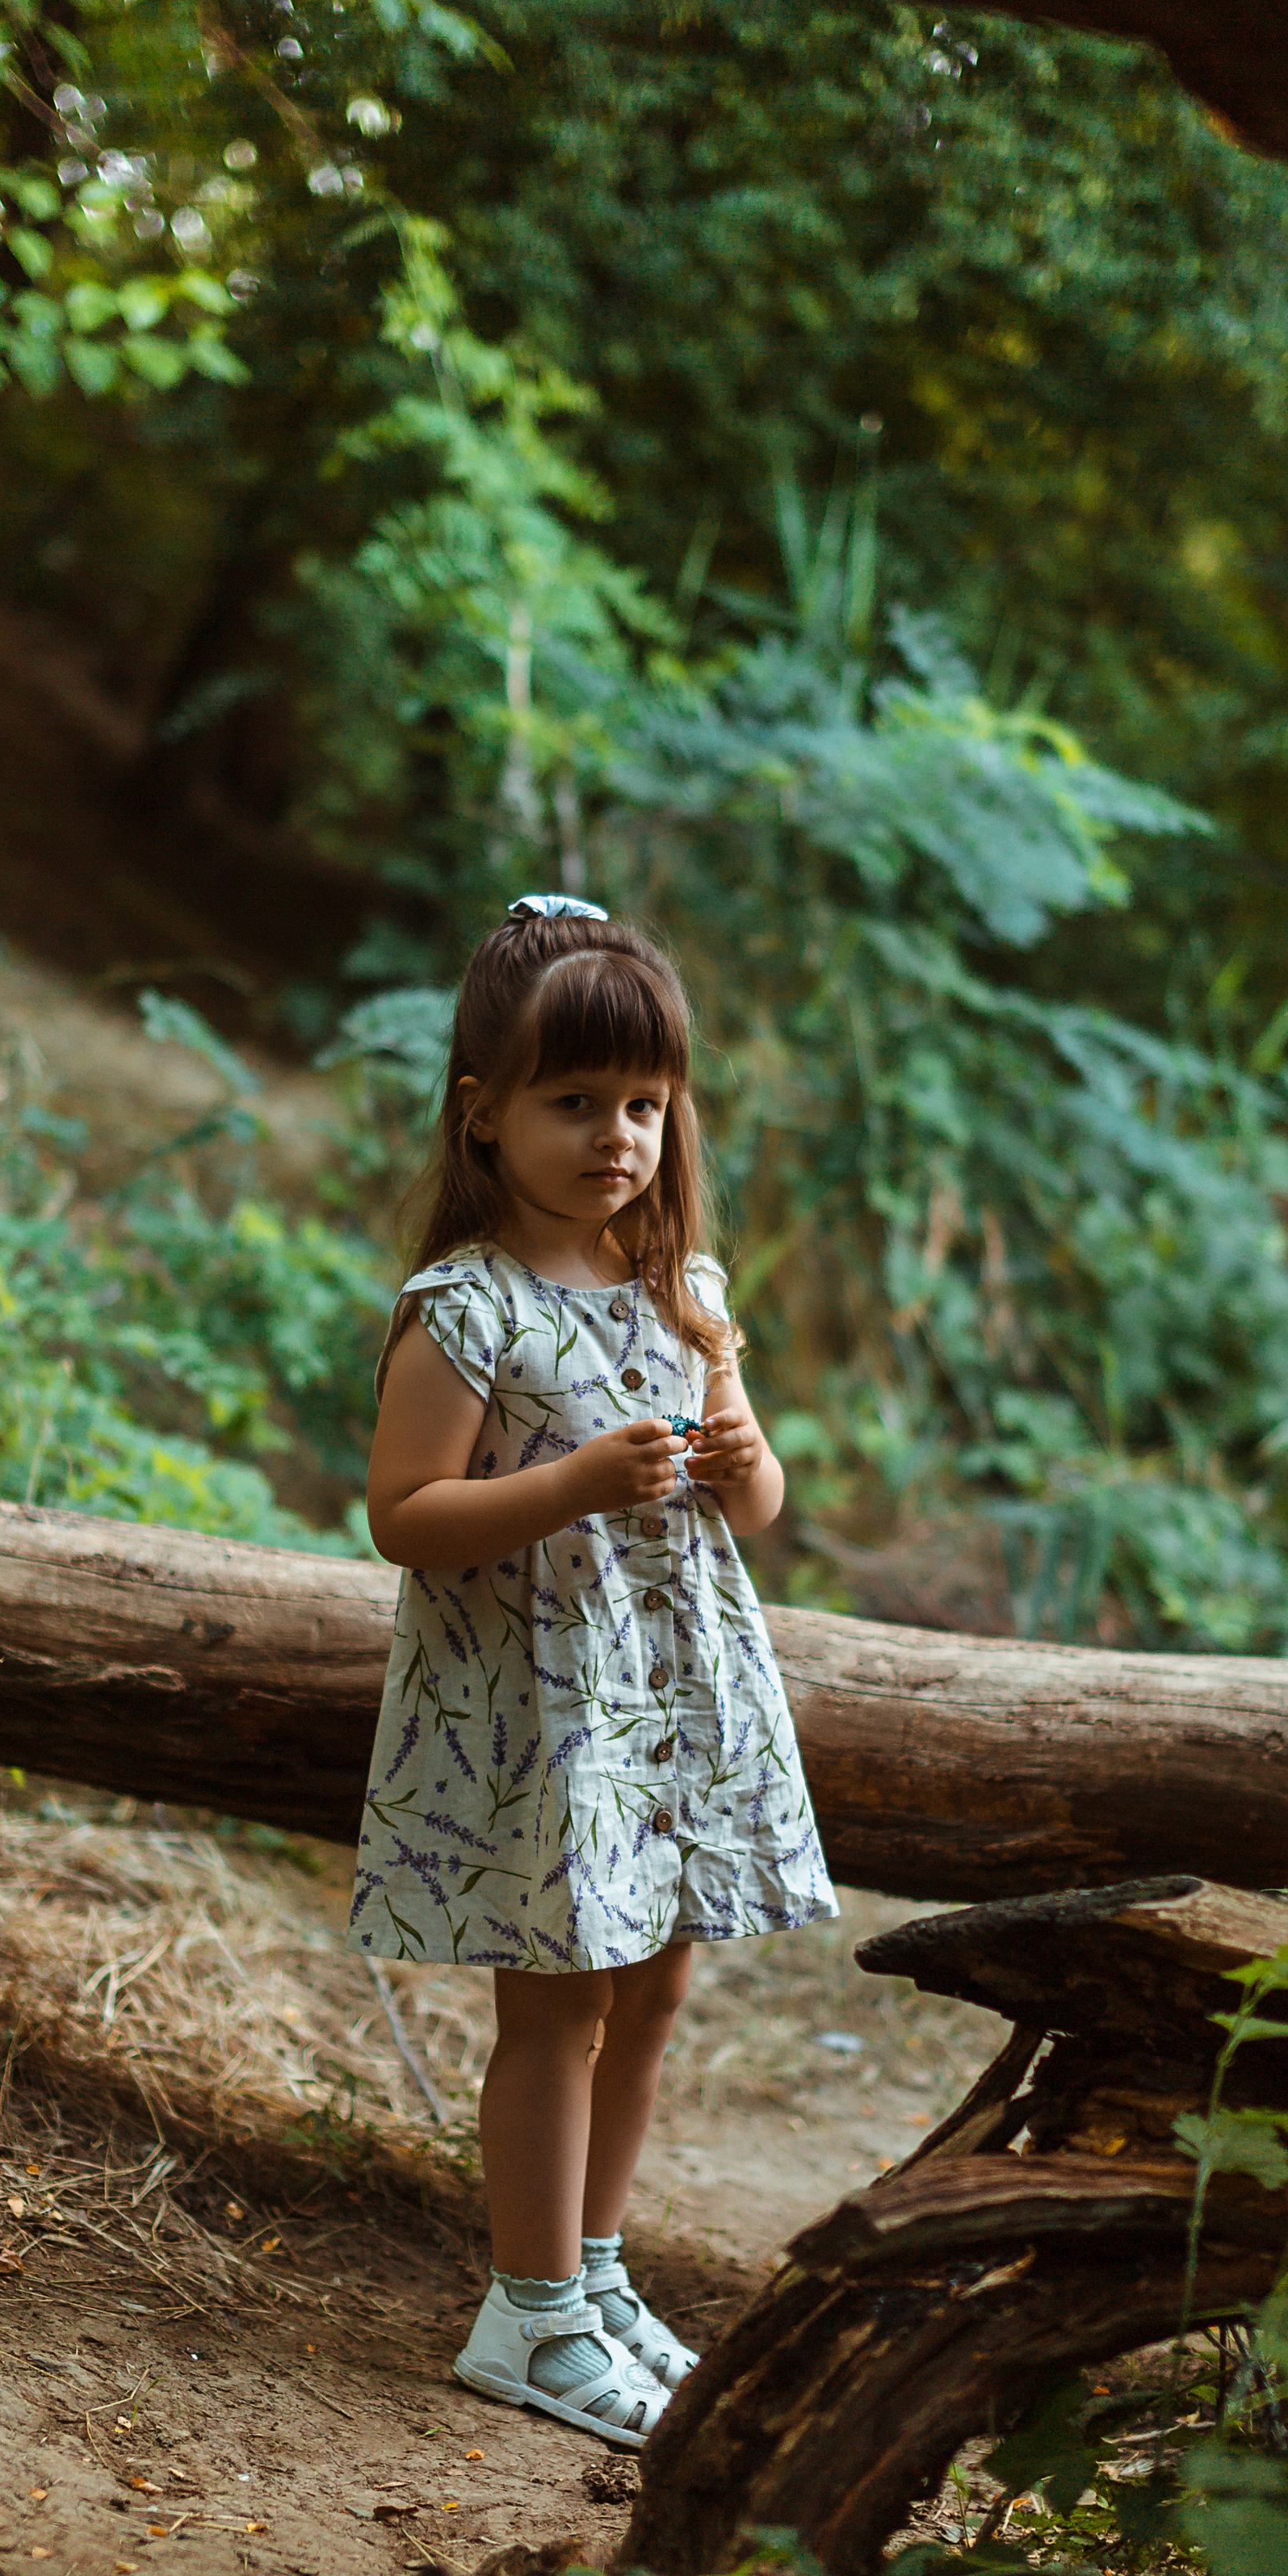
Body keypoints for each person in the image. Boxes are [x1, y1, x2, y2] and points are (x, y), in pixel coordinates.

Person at [352, 895, 835, 2449]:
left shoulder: (678, 1290)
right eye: (576, 1104)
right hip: (547, 1715)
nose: (616, 1137)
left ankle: (598, 2268)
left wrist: (746, 1449)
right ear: (484, 1116)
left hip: (670, 1703)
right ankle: (528, 2310)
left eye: (644, 1105)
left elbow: (754, 1511)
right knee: (555, 2008)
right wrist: (568, 1482)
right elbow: (407, 1519)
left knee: (659, 1977)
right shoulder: (468, 1310)